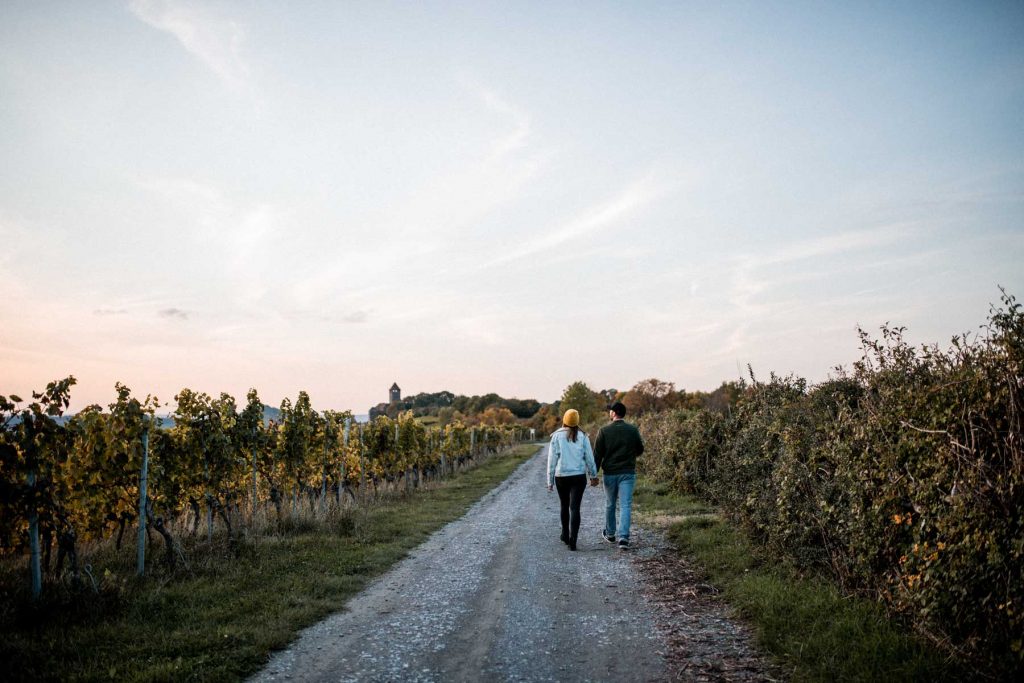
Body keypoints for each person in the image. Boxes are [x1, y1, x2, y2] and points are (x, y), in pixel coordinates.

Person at [594, 401, 645, 550]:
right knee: (625, 505)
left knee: (610, 504)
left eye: (610, 411)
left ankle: (610, 534)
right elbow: (640, 449)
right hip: (627, 473)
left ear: (614, 413)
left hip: (610, 474)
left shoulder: (603, 431)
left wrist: (594, 474)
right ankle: (623, 538)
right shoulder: (632, 430)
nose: (609, 413)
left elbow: (597, 455)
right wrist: (629, 455)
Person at [546, 408, 598, 551]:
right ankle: (573, 540)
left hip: (561, 476)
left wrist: (550, 481)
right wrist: (593, 475)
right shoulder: (583, 436)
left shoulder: (556, 436)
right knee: (575, 508)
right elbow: (589, 457)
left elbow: (552, 460)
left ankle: (565, 534)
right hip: (578, 477)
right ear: (577, 421)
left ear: (564, 420)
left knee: (564, 505)